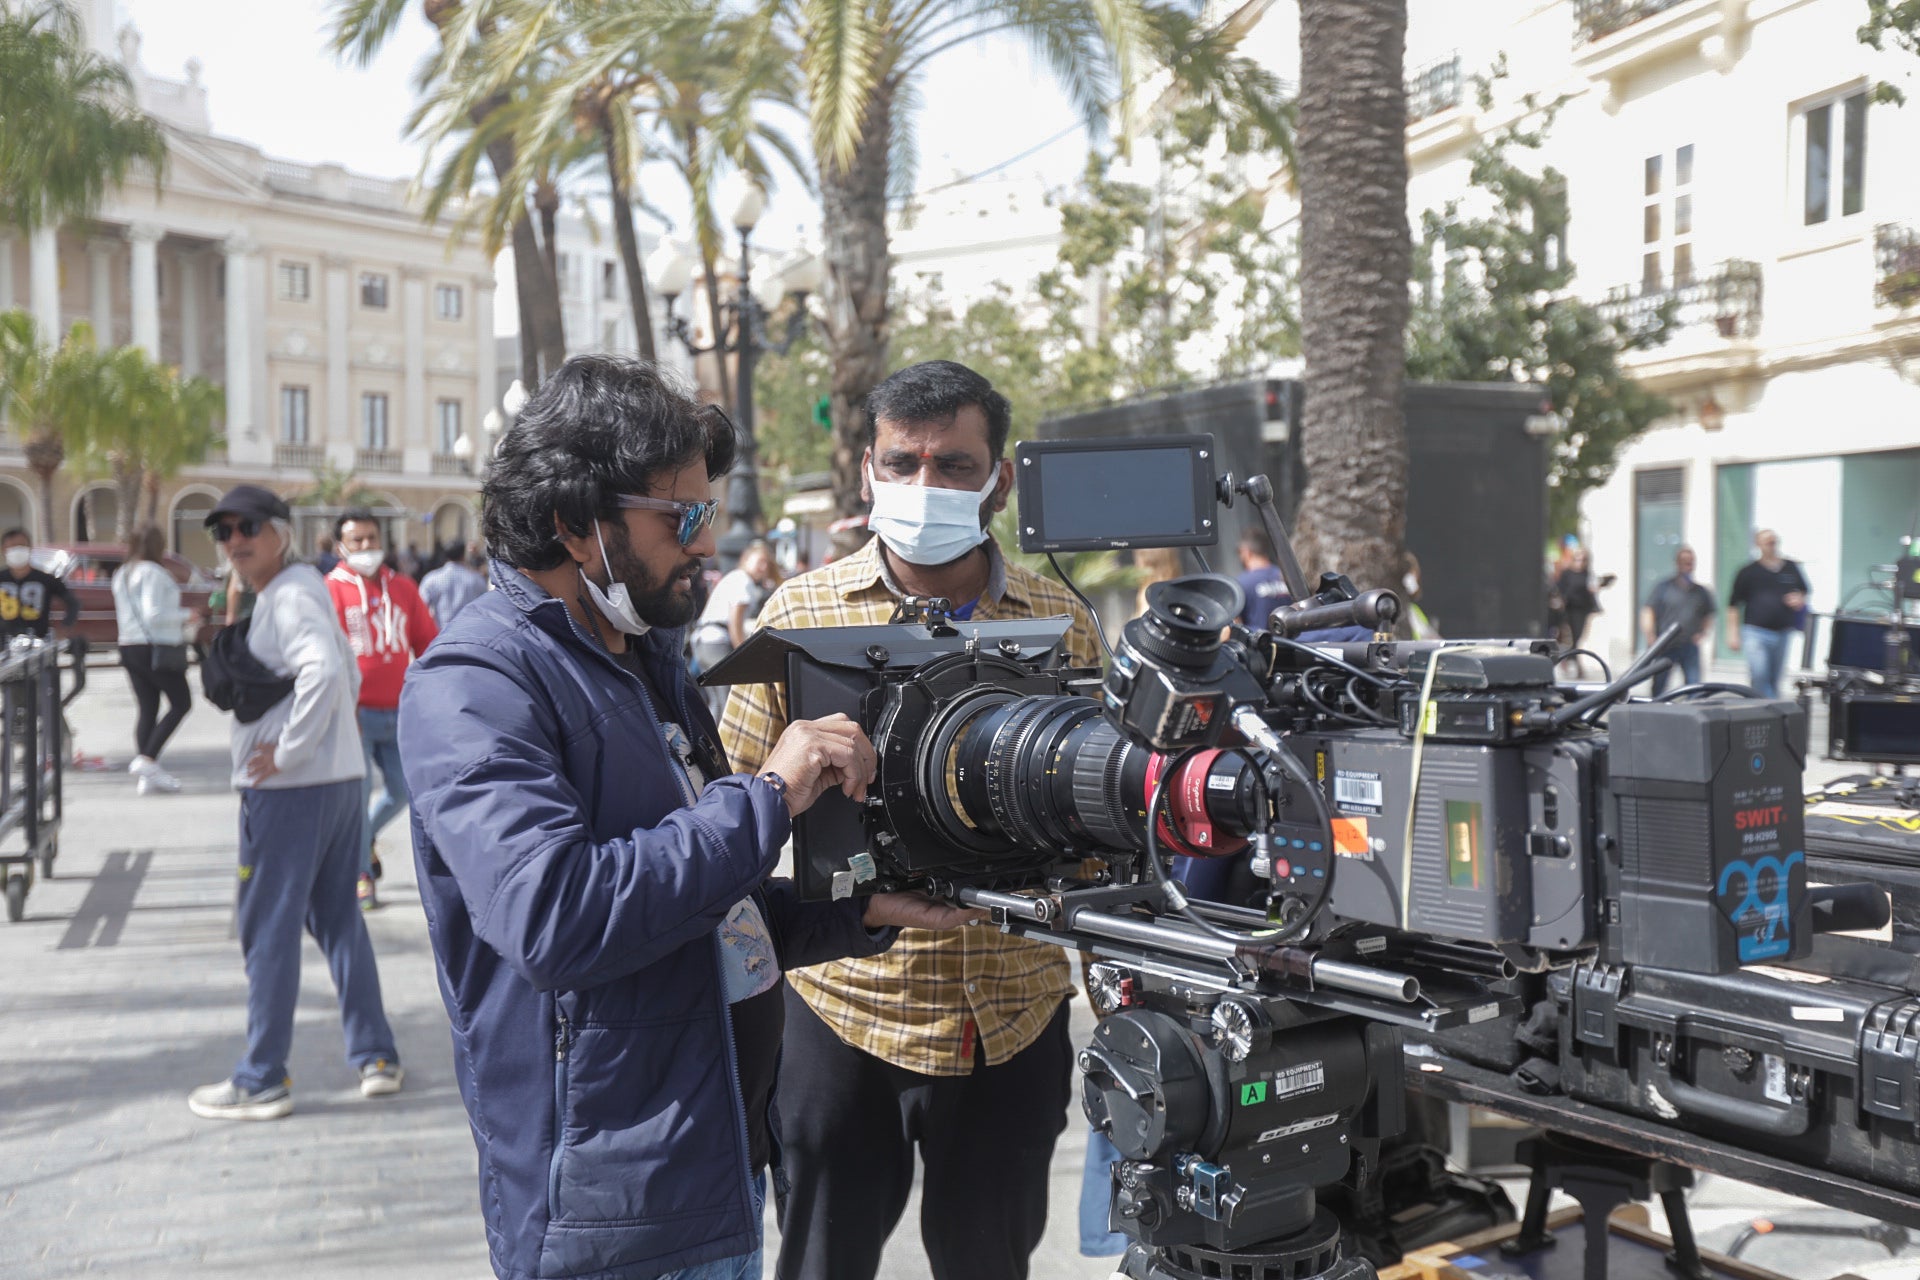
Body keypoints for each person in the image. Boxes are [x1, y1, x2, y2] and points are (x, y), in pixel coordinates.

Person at [397, 355, 967, 1280]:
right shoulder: (475, 684)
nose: (707, 543)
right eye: (683, 517)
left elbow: (701, 907)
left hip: (717, 1169)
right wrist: (770, 794)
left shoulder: (643, 659)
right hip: (612, 1213)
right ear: (573, 523)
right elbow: (556, 918)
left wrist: (848, 916)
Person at [722, 359, 1103, 1280]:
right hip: (844, 1013)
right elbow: (728, 815)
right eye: (903, 464)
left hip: (1012, 1016)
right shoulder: (797, 615)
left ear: (999, 482)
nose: (923, 486)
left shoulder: (1064, 620)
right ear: (868, 473)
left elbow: (1102, 817)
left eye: (954, 467)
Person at [188, 484, 403, 1120]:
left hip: (289, 793)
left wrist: (286, 752)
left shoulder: (288, 595)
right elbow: (348, 671)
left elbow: (326, 672)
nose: (235, 541)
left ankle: (262, 1076)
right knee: (337, 916)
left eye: (248, 526)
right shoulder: (299, 590)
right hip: (334, 784)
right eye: (223, 531)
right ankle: (376, 1054)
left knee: (268, 929)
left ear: (280, 530)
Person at [326, 509, 439, 911]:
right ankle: (359, 876)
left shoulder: (405, 588)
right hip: (352, 716)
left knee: (402, 790)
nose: (366, 547)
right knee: (355, 799)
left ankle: (362, 841)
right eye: (356, 540)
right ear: (341, 546)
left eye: (371, 538)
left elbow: (428, 644)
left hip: (400, 712)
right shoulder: (330, 590)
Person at [110, 525, 202, 795]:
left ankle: (147, 774)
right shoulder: (152, 573)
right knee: (181, 702)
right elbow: (154, 614)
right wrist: (187, 615)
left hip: (128, 645)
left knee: (148, 707)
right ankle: (147, 759)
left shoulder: (122, 573)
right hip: (154, 646)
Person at [690, 540, 781, 715]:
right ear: (746, 559)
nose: (763, 567)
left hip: (703, 641)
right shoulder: (743, 581)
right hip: (716, 642)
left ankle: (712, 740)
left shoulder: (733, 577)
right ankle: (723, 742)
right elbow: (735, 622)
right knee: (728, 702)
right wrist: (742, 654)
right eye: (759, 561)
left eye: (766, 563)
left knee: (716, 701)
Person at [1728, 528, 1811, 699]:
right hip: (1755, 632)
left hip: (1782, 632)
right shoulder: (1748, 572)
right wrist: (1732, 633)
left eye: (1774, 542)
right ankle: (1762, 709)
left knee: (1774, 678)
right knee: (1759, 675)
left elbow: (1804, 591)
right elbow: (1733, 604)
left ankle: (1770, 712)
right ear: (1758, 545)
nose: (1772, 546)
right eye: (1767, 542)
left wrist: (1798, 598)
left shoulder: (1790, 567)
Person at [1642, 546, 1717, 694]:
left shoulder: (1701, 591)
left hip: (1689, 645)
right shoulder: (1663, 588)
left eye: (1690, 562)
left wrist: (1703, 633)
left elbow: (1709, 614)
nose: (1688, 566)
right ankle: (1655, 712)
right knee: (1659, 685)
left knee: (1694, 686)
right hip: (1665, 644)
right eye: (1684, 562)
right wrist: (1650, 636)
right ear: (1677, 563)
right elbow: (1648, 611)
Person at [0, 527, 76, 642]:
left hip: (38, 643)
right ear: (3, 550)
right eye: (12, 546)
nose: (17, 550)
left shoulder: (45, 579)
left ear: (30, 548)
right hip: (4, 645)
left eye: (21, 546)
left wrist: (65, 627)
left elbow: (73, 603)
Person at [420, 539, 489, 627]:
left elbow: (421, 609)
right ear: (463, 555)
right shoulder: (476, 579)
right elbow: (485, 608)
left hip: (440, 633)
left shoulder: (431, 579)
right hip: (469, 633)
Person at [1235, 528, 1290, 627]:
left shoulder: (1241, 583)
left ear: (1246, 552)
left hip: (1259, 641)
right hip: (1292, 641)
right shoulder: (1286, 577)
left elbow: (1236, 625)